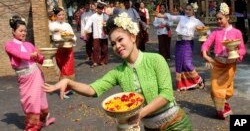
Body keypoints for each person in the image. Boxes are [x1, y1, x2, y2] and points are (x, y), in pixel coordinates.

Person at [43, 12, 192, 131]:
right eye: (113, 44)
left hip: (175, 124)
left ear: (133, 36)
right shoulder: (119, 72)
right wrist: (68, 82)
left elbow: (166, 94)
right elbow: (92, 89)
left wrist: (139, 114)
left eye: (121, 39)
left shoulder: (155, 60)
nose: (117, 46)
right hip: (150, 128)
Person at [4, 15, 55, 131]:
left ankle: (36, 123)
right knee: (29, 100)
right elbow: (18, 54)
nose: (23, 33)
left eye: (25, 31)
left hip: (36, 74)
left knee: (39, 98)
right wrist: (30, 55)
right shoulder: (9, 45)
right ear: (13, 31)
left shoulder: (29, 45)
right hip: (24, 77)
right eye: (20, 31)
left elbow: (40, 58)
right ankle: (34, 123)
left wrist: (47, 57)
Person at [201, 3, 246, 119]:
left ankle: (222, 107)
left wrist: (237, 55)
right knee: (215, 89)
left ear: (228, 18)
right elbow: (206, 44)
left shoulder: (237, 33)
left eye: (220, 18)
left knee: (228, 91)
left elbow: (242, 49)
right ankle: (222, 111)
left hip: (230, 65)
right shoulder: (216, 33)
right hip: (217, 64)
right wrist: (205, 54)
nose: (218, 21)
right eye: (217, 19)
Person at [156, 0, 205, 91]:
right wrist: (162, 16)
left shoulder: (196, 21)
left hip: (188, 44)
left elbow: (205, 30)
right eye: (186, 9)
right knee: (179, 63)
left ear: (193, 11)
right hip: (179, 43)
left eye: (189, 9)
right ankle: (182, 85)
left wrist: (207, 39)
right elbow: (172, 17)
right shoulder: (182, 18)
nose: (187, 11)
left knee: (187, 63)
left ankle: (199, 80)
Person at [49, 6, 77, 99]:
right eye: (59, 15)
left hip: (68, 49)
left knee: (68, 69)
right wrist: (58, 30)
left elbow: (73, 36)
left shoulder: (67, 25)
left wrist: (71, 38)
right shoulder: (53, 24)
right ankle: (65, 88)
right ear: (55, 16)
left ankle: (67, 89)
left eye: (63, 14)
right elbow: (51, 29)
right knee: (62, 69)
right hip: (59, 49)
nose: (61, 16)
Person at [82, 3, 109, 67]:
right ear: (97, 9)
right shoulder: (93, 16)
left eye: (101, 9)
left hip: (104, 35)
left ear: (102, 9)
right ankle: (95, 62)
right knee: (96, 48)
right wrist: (85, 31)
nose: (100, 10)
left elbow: (109, 23)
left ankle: (102, 61)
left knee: (104, 49)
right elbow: (88, 24)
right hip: (96, 35)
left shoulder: (105, 16)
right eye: (99, 9)